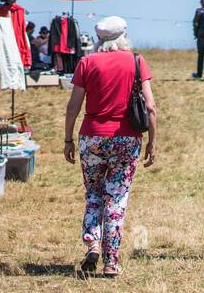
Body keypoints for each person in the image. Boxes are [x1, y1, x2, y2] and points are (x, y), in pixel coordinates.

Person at [63, 16, 157, 279]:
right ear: (124, 36)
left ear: (98, 38)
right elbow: (150, 107)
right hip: (126, 139)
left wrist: (68, 139)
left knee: (93, 193)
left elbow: (73, 106)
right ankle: (111, 262)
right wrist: (152, 141)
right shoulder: (137, 61)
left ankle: (93, 242)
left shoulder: (86, 62)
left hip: (91, 136)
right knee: (115, 198)